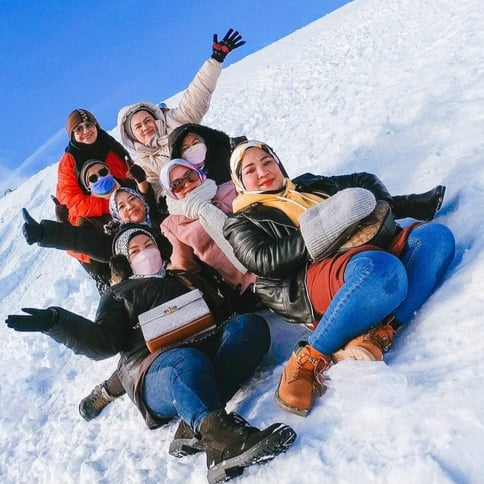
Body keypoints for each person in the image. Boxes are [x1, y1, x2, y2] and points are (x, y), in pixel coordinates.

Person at [5, 224, 296, 483]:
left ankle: (192, 421)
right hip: (155, 372)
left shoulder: (183, 278)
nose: (145, 252)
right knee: (186, 363)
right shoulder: (119, 294)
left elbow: (221, 311)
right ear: (126, 261)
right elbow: (102, 342)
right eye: (135, 250)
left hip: (204, 348)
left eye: (149, 245)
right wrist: (57, 322)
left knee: (249, 327)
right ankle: (221, 442)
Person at [222, 140, 456, 417]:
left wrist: (380, 205)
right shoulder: (240, 221)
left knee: (435, 238)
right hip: (310, 274)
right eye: (250, 169)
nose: (263, 171)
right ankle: (309, 358)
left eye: (267, 161)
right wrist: (324, 228)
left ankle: (379, 332)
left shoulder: (307, 185)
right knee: (383, 271)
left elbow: (362, 181)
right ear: (240, 181)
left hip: (363, 246)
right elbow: (264, 259)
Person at [117, 29, 245, 202]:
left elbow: (198, 94)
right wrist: (143, 182)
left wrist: (215, 60)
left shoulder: (176, 122)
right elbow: (155, 196)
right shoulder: (144, 164)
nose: (145, 127)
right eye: (137, 127)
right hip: (191, 202)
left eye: (147, 121)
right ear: (132, 136)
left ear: (156, 120)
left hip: (221, 180)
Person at [55, 108, 150, 291]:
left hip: (122, 214)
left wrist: (131, 193)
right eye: (79, 129)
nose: (86, 131)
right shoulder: (69, 162)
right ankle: (109, 291)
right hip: (88, 225)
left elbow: (128, 177)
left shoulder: (111, 148)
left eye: (89, 125)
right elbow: (72, 202)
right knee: (107, 272)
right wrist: (114, 203)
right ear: (72, 134)